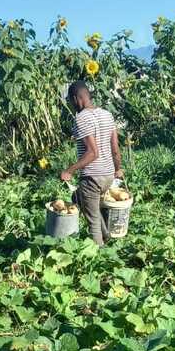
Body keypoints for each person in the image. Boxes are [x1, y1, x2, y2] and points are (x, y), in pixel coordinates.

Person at [60, 81, 123, 245]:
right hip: (108, 176)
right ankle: (106, 235)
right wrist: (118, 169)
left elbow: (92, 153)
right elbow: (115, 148)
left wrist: (69, 170)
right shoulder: (107, 115)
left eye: (70, 101)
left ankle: (100, 256)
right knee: (81, 199)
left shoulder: (81, 119)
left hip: (92, 178)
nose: (71, 105)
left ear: (76, 98)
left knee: (92, 220)